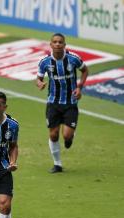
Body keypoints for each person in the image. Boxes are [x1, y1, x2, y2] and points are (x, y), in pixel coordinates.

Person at [36, 33, 89, 173]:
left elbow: (85, 70)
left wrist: (79, 87)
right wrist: (40, 83)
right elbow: (39, 78)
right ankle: (57, 164)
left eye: (60, 42)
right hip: (53, 102)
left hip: (70, 102)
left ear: (65, 45)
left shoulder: (73, 59)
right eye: (55, 42)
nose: (58, 44)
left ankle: (70, 137)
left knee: (66, 135)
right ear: (51, 44)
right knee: (53, 135)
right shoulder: (44, 62)